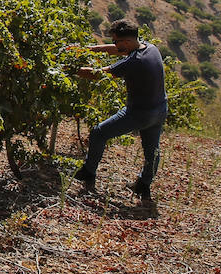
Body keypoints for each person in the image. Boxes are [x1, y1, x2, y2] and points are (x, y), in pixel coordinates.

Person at [72, 19, 168, 204]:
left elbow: (98, 74)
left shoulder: (134, 62)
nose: (115, 45)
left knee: (99, 133)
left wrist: (72, 69)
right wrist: (90, 49)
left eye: (117, 41)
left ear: (126, 42)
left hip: (139, 113)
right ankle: (144, 185)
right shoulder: (149, 47)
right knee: (152, 151)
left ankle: (88, 172)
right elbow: (116, 50)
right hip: (159, 109)